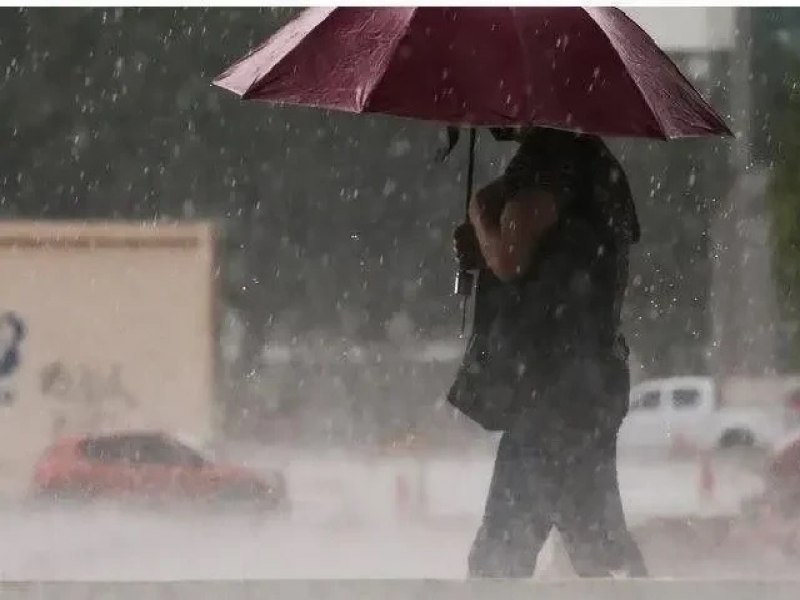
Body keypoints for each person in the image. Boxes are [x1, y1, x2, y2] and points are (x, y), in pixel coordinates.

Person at [450, 126, 648, 578]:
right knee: (597, 545)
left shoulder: (551, 157)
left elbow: (513, 257)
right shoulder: (589, 160)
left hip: (552, 391)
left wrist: (482, 215)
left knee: (501, 555)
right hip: (584, 384)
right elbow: (553, 261)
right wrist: (486, 244)